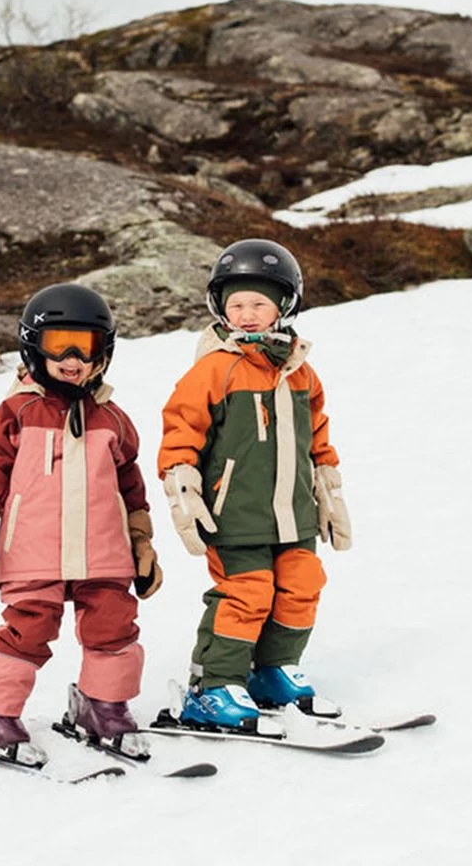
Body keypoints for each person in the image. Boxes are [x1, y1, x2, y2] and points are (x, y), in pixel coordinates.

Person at [0, 282, 162, 761]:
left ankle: (102, 706)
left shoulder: (113, 419)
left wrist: (141, 542)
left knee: (114, 625)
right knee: (29, 628)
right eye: (59, 345)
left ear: (103, 352)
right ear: (34, 347)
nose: (73, 358)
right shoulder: (17, 412)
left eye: (86, 345)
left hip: (104, 551)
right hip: (34, 549)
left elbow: (131, 487)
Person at [158, 238, 352, 733]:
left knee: (301, 586)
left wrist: (327, 489)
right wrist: (184, 490)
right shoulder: (214, 370)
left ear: (283, 306)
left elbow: (317, 435)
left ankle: (272, 670)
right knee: (246, 593)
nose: (246, 314)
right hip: (235, 514)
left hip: (294, 514)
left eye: (258, 304)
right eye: (236, 304)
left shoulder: (301, 372)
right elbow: (181, 431)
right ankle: (212, 686)